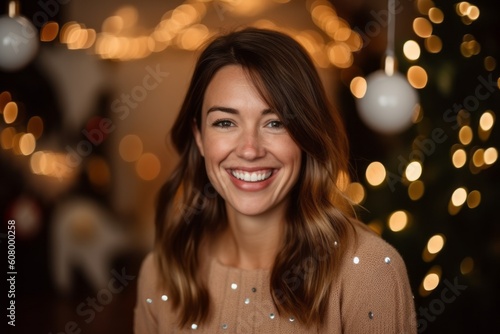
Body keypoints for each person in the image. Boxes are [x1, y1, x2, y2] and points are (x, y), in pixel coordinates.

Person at [134, 27, 417, 333]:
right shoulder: (163, 272)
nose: (250, 150)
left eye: (275, 122)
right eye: (225, 122)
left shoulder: (369, 271)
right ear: (199, 137)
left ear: (306, 136)